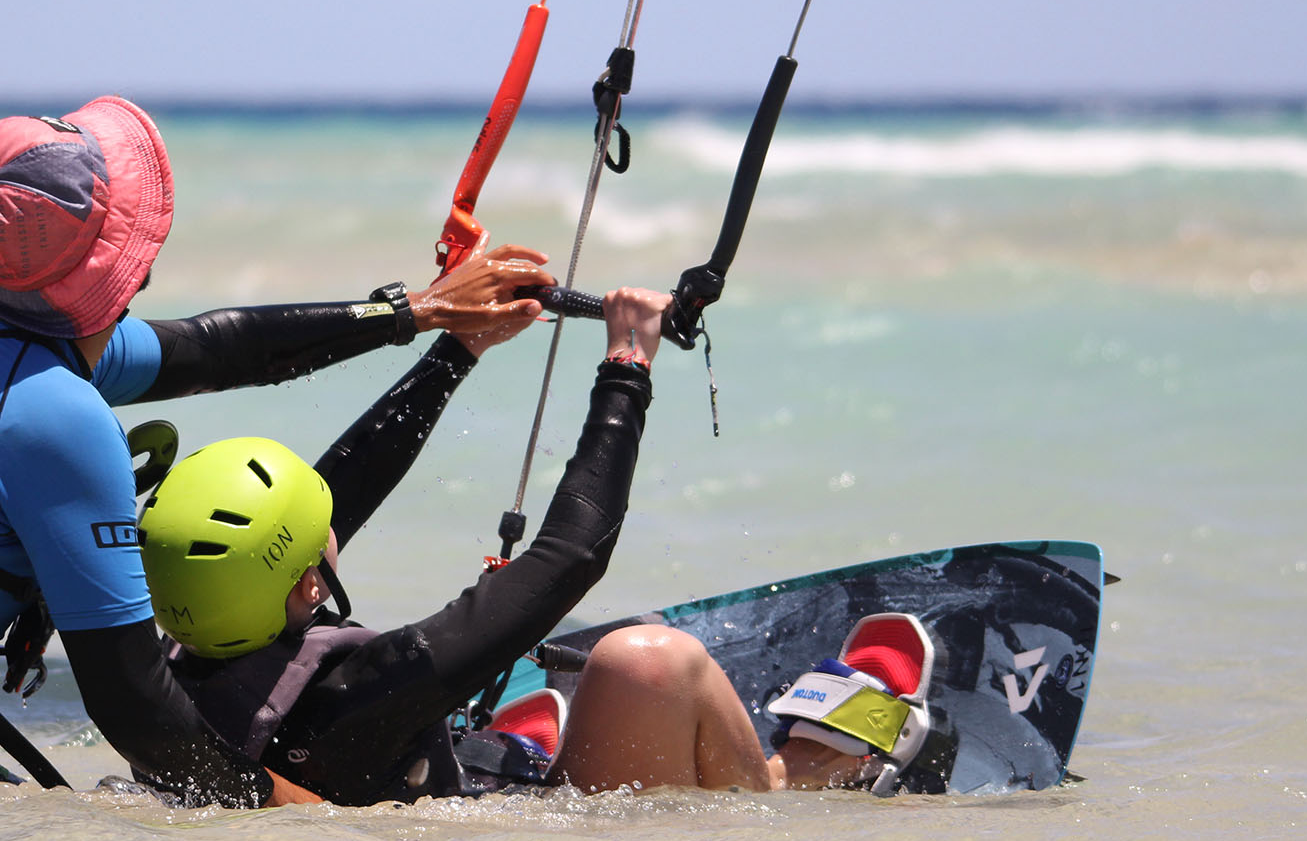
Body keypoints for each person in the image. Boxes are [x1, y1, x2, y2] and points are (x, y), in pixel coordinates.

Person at [0, 96, 556, 806]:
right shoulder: (57, 415)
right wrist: (286, 812)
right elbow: (135, 705)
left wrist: (420, 313)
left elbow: (219, 350)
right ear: (126, 263)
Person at [137, 286, 948, 803]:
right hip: (516, 826)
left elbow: (340, 489)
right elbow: (571, 553)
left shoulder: (154, 676)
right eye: (320, 537)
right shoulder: (368, 689)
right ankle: (793, 777)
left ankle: (501, 758)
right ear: (308, 586)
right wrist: (628, 366)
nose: (334, 522)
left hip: (390, 779)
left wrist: (457, 347)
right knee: (650, 662)